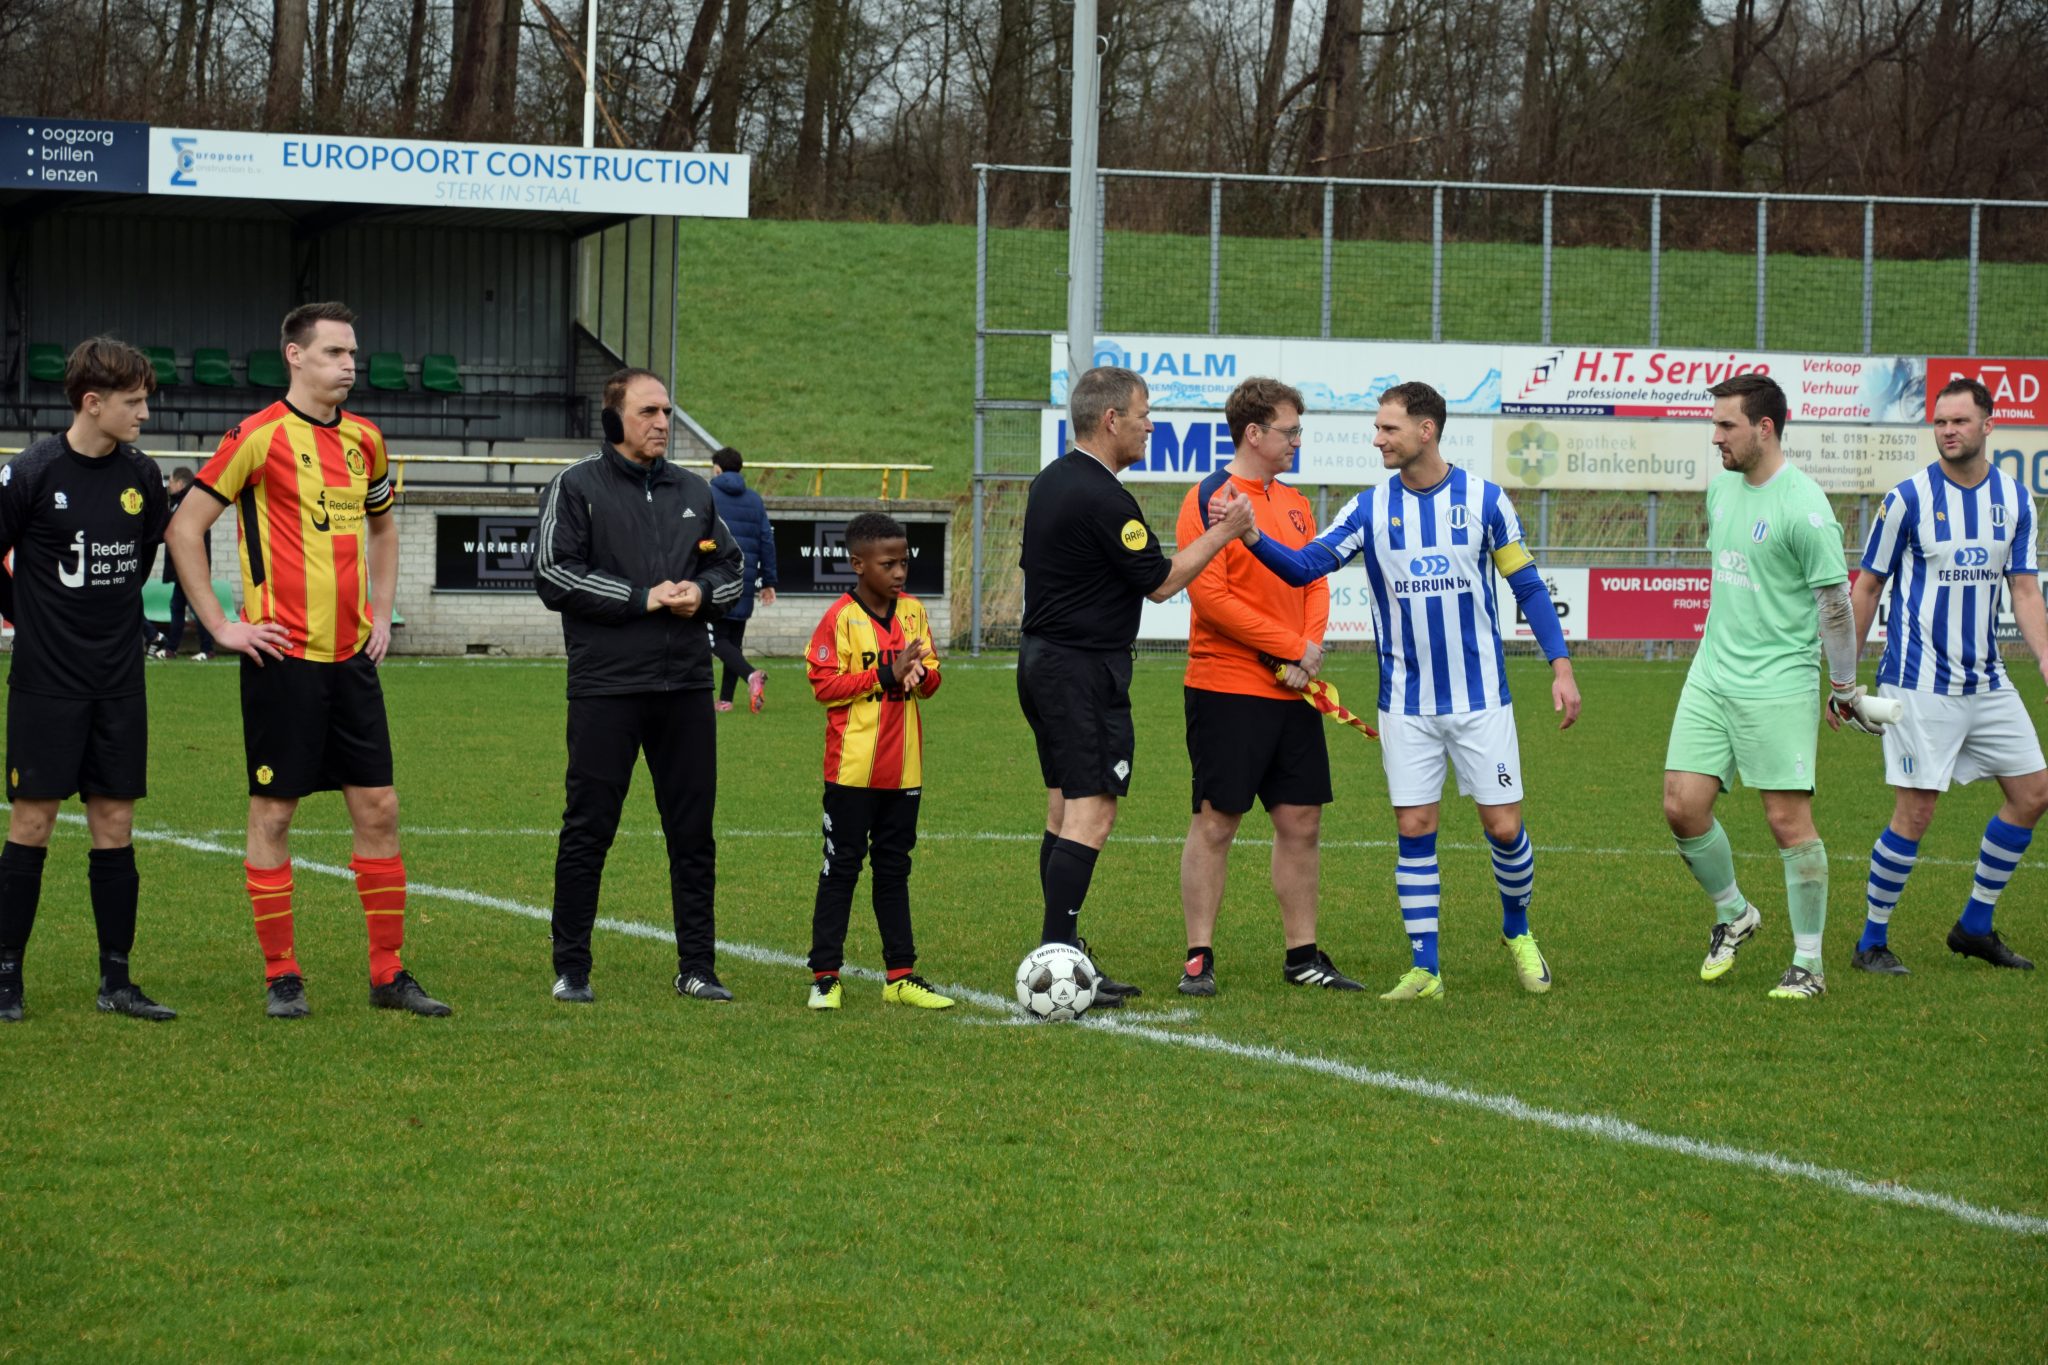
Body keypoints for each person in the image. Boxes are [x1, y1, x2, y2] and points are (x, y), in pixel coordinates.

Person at [1233, 381, 1578, 1001]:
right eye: (1377, 427)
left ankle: (1518, 932)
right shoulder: (1367, 510)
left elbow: (1526, 586)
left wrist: (1561, 666)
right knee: (1415, 827)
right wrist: (1253, 537)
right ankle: (1426, 969)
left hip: (1480, 700)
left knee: (1504, 828)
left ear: (1426, 431)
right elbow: (1308, 565)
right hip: (1407, 705)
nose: (1377, 439)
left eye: (1389, 429)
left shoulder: (1485, 501)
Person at [165, 300, 451, 1019]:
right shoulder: (257, 437)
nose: (349, 364)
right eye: (333, 352)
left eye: (352, 352)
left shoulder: (368, 440)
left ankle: (388, 973)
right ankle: (282, 973)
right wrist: (222, 625)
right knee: (275, 812)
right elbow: (184, 527)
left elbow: (385, 529)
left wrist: (381, 613)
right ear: (294, 356)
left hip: (351, 658)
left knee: (380, 807)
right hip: (282, 657)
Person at [1017, 364, 1255, 1004]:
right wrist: (1225, 532)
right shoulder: (1102, 495)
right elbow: (1162, 580)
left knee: (1066, 807)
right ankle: (1058, 962)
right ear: (1111, 419)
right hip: (1080, 670)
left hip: (1044, 663)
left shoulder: (1051, 482)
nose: (1152, 424)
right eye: (1144, 413)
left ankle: (1058, 954)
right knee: (1093, 813)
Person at [535, 366, 744, 1004]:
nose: (661, 423)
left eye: (666, 412)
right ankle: (571, 967)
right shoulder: (574, 486)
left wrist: (699, 593)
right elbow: (553, 573)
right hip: (605, 687)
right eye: (648, 412)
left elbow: (732, 569)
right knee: (588, 827)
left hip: (683, 687)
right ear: (614, 420)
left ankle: (698, 968)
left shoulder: (695, 492)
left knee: (692, 832)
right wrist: (642, 598)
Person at [1660, 373, 1861, 1001]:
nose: (1714, 436)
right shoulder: (1721, 489)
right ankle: (1735, 913)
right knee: (1681, 805)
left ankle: (1809, 965)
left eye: (1726, 425)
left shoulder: (1804, 508)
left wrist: (1845, 687)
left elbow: (1835, 607)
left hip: (1778, 680)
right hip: (1712, 672)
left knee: (1785, 819)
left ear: (1764, 428)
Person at [0, 337, 176, 1023]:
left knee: (115, 821)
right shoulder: (34, 472)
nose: (144, 415)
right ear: (91, 402)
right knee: (33, 822)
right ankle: (7, 978)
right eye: (133, 403)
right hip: (46, 684)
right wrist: (24, 613)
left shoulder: (143, 475)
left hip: (119, 682)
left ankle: (118, 982)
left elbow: (140, 561)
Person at [1848, 376, 2047, 973]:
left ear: (1989, 426)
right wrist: (1840, 678)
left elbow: (2025, 589)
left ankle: (1975, 926)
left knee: (2033, 792)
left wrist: (2044, 653)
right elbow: (1867, 585)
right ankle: (1870, 943)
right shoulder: (1906, 498)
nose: (1948, 431)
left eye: (1960, 421)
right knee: (1916, 811)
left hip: (1987, 682)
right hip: (1918, 682)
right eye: (1939, 422)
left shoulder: (2014, 500)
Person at [1174, 376, 1360, 997]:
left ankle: (1302, 955)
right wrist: (1290, 648)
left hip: (1293, 689)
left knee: (1302, 820)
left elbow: (1314, 578)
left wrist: (1308, 655)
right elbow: (1211, 597)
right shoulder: (1210, 499)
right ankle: (1199, 955)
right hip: (1226, 686)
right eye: (1290, 431)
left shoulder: (1296, 502)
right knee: (1218, 821)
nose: (1297, 442)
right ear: (1254, 433)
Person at [802, 511, 952, 1010]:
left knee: (895, 868)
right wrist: (886, 674)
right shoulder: (840, 619)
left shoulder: (912, 612)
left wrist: (918, 677)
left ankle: (901, 975)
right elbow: (824, 685)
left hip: (905, 768)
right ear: (857, 565)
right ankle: (825, 975)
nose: (900, 573)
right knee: (840, 867)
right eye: (888, 564)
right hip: (851, 771)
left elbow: (930, 677)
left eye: (904, 562)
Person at [707, 446, 778, 713]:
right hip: (745, 579)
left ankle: (751, 676)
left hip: (715, 578)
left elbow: (702, 538)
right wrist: (768, 580)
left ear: (717, 469)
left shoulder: (709, 494)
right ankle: (725, 700)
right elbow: (766, 540)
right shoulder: (754, 499)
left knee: (715, 642)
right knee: (732, 643)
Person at [149, 467, 215, 661]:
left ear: (180, 483)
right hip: (182, 568)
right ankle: (172, 649)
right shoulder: (177, 504)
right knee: (177, 606)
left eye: (170, 482)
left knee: (194, 608)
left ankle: (207, 648)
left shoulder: (188, 504)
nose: (168, 486)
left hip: (189, 568)